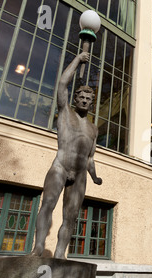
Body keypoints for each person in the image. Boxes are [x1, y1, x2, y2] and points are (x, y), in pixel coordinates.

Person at [30, 52, 102, 259]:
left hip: (79, 175)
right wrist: (78, 60)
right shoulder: (65, 112)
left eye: (89, 99)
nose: (85, 101)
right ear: (76, 98)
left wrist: (94, 176)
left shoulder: (93, 129)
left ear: (92, 103)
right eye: (82, 97)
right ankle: (38, 248)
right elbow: (62, 84)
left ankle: (60, 254)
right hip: (60, 166)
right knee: (48, 204)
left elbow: (90, 157)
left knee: (71, 216)